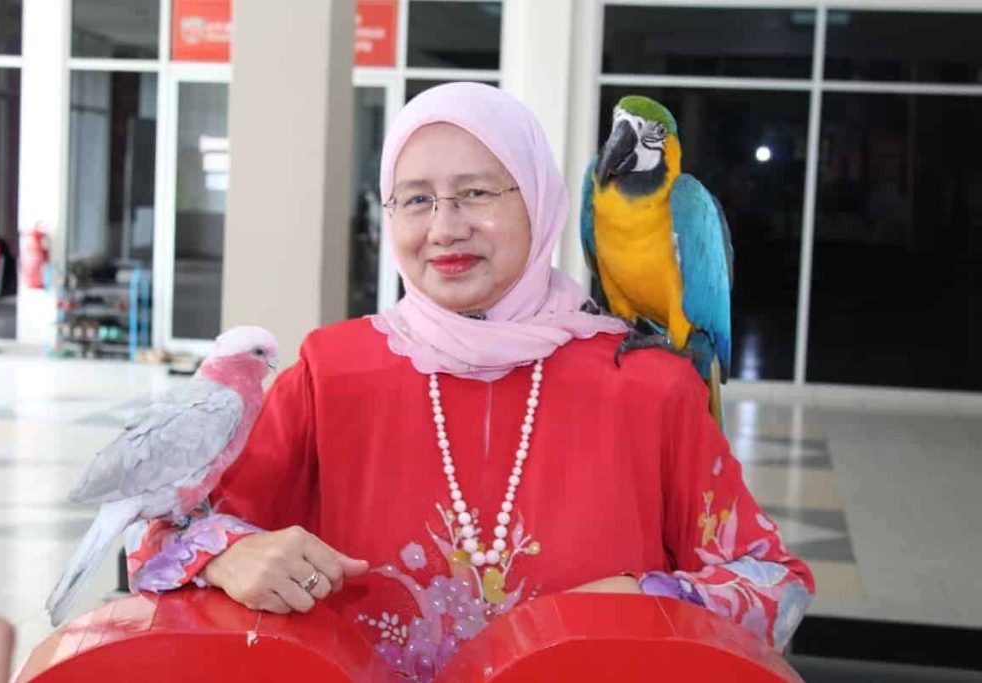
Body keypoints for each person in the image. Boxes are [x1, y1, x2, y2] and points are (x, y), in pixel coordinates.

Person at [127, 82, 814, 681]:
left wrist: (644, 595)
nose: (446, 228)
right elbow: (156, 530)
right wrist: (230, 553)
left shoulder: (648, 386)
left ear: (540, 199)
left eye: (477, 192)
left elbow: (775, 584)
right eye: (416, 198)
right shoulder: (330, 372)